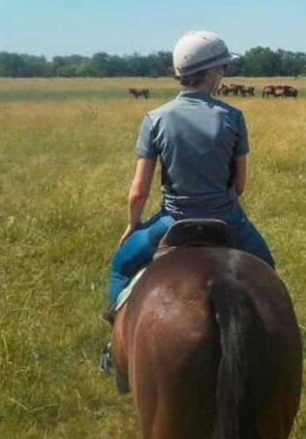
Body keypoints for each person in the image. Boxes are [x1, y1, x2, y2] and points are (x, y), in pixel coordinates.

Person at [105, 30, 275, 321]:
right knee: (268, 270)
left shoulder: (155, 118)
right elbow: (240, 184)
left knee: (121, 267)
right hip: (227, 219)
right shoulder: (233, 117)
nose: (223, 73)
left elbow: (138, 191)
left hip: (172, 220)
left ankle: (113, 341)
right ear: (209, 71)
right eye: (222, 67)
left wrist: (133, 224)